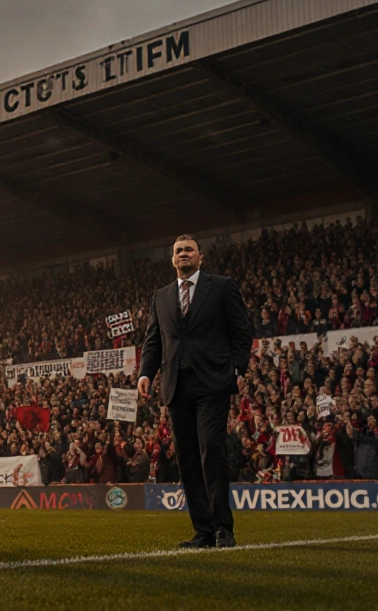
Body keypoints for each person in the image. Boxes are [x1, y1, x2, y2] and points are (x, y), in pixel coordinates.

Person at [139, 234, 252, 549]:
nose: (183, 254)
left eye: (189, 249)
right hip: (176, 386)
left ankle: (222, 529)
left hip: (212, 381)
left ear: (200, 256)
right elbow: (153, 340)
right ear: (172, 259)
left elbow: (242, 330)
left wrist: (238, 368)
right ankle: (202, 530)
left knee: (211, 451)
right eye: (178, 251)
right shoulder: (160, 297)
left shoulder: (222, 286)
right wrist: (146, 373)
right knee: (187, 459)